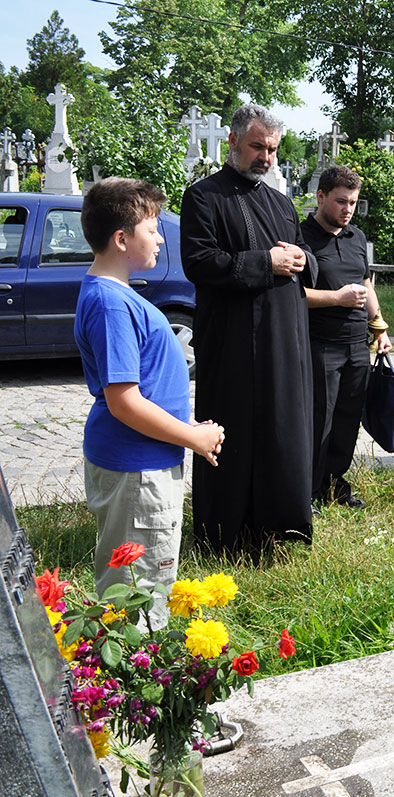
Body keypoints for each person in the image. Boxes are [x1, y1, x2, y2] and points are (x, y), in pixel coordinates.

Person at [74, 178, 225, 628]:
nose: (161, 237)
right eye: (152, 228)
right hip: (137, 470)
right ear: (121, 239)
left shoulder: (113, 294)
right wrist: (193, 436)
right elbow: (123, 401)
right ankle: (130, 685)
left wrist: (183, 425)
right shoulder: (111, 303)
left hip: (143, 460)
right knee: (138, 597)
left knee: (140, 585)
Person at [181, 104, 315, 557]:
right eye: (258, 146)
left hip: (283, 341)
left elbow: (304, 254)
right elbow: (199, 263)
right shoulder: (203, 197)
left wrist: (300, 259)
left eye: (273, 149)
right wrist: (266, 263)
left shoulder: (280, 201)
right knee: (235, 433)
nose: (266, 157)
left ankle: (281, 528)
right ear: (234, 141)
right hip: (233, 344)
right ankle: (226, 535)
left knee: (282, 429)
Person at [301, 165, 392, 509]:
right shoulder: (301, 237)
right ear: (321, 197)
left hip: (357, 344)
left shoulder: (356, 238)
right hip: (320, 343)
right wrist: (337, 298)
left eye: (352, 202)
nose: (347, 209)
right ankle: (306, 490)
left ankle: (333, 485)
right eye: (341, 202)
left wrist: (378, 325)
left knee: (347, 419)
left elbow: (366, 283)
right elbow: (294, 294)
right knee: (318, 421)